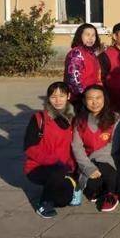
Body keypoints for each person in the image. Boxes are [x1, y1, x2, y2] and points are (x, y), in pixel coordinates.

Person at [24, 82, 77, 218]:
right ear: (48, 98)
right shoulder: (39, 118)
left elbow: (74, 146)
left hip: (63, 168)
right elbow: (29, 147)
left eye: (62, 96)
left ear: (68, 96)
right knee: (56, 172)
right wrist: (55, 161)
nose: (58, 100)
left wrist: (71, 165)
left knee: (63, 200)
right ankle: (44, 203)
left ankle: (63, 183)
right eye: (53, 97)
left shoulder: (73, 118)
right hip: (38, 167)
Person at [71, 85, 120, 212]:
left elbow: (114, 146)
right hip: (88, 161)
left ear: (105, 99)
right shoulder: (79, 121)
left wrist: (96, 161)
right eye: (90, 99)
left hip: (109, 159)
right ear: (84, 101)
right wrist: (89, 167)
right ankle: (101, 189)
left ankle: (111, 195)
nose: (95, 102)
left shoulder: (115, 118)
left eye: (98, 98)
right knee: (92, 186)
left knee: (108, 171)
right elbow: (77, 147)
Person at [64, 23, 102, 107]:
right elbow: (73, 79)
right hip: (80, 99)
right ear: (80, 36)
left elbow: (97, 77)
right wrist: (84, 96)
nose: (90, 38)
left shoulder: (92, 54)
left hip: (92, 97)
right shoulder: (76, 53)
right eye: (87, 35)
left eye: (93, 35)